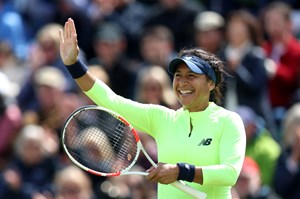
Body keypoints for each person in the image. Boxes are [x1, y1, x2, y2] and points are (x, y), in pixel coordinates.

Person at [59, 18, 246, 199]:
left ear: (211, 83)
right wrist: (73, 65)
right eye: (178, 75)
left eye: (191, 75)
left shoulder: (228, 121)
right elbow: (110, 101)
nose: (182, 82)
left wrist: (180, 171)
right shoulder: (162, 118)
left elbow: (229, 174)